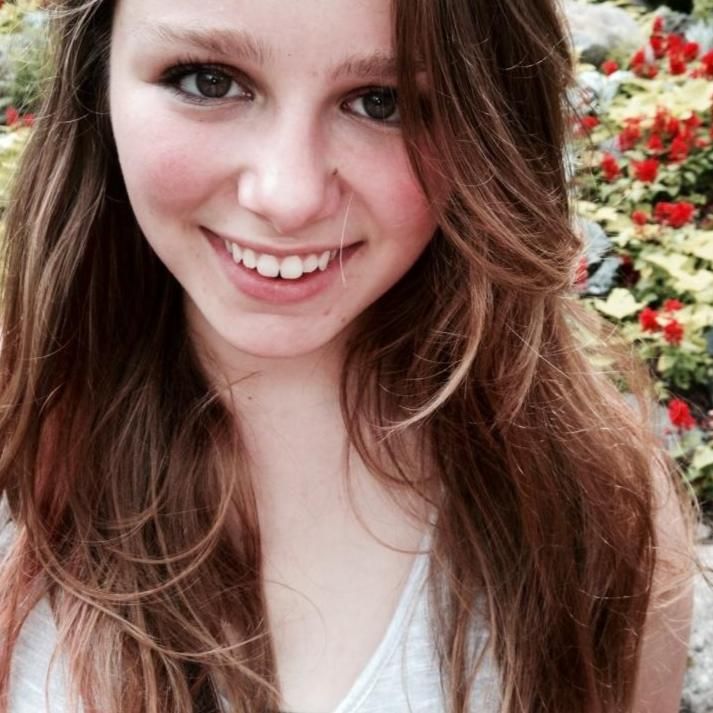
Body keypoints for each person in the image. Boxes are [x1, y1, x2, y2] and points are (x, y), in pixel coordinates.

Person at [0, 0, 696, 711]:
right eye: (209, 81)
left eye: (381, 102)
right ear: (96, 74)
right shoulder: (13, 463)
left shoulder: (596, 509)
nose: (288, 197)